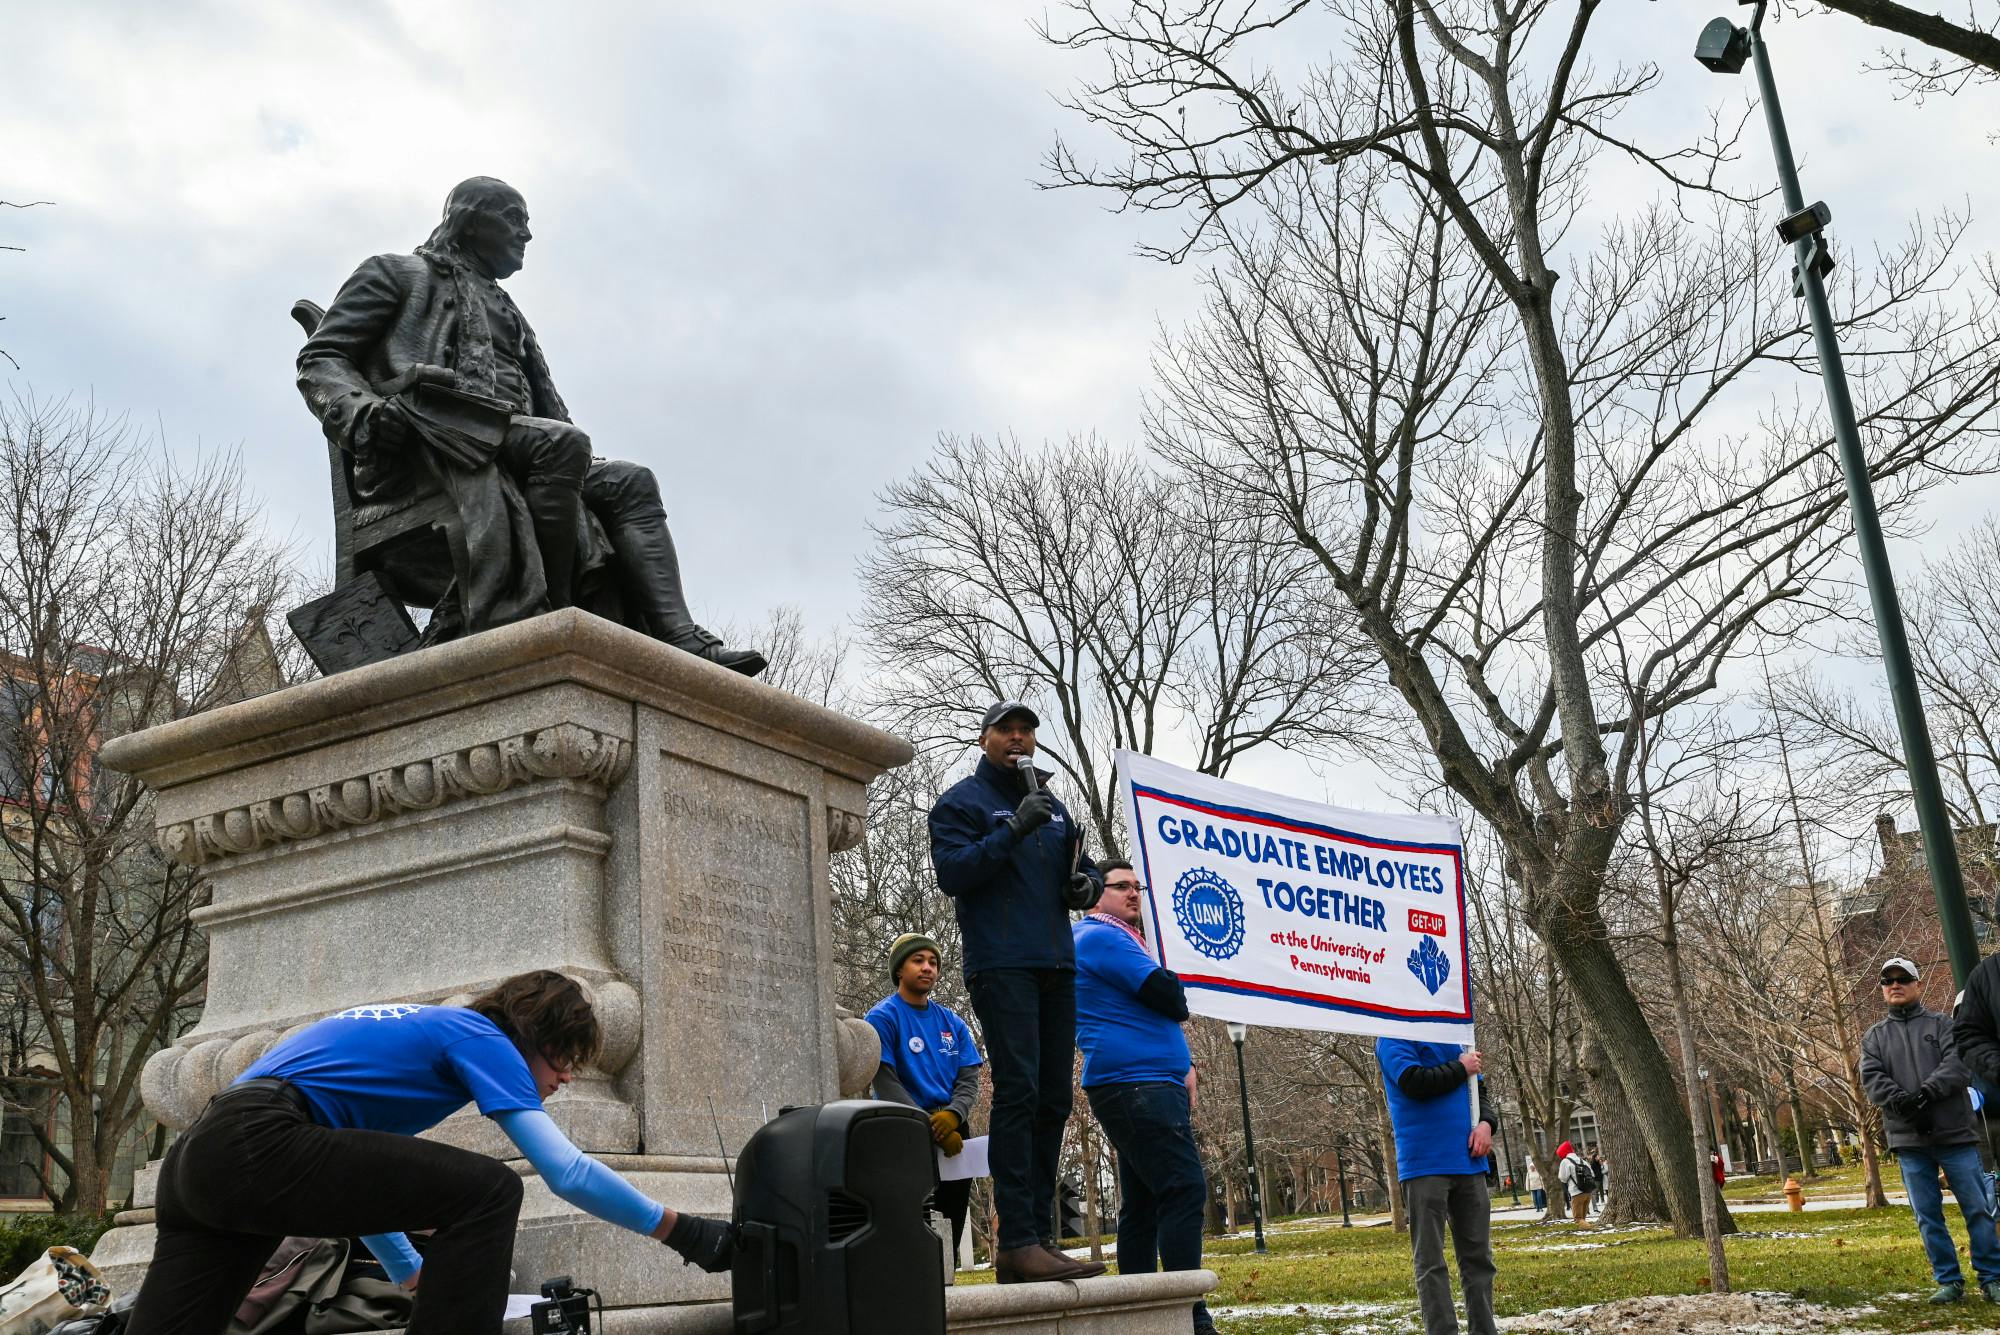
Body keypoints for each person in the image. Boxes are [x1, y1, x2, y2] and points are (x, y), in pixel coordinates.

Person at [299, 176, 764, 673]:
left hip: (517, 441)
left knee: (631, 481)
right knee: (563, 445)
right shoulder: (395, 273)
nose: (526, 234)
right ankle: (554, 618)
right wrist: (364, 413)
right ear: (470, 220)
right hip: (431, 439)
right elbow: (321, 358)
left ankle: (681, 639)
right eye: (514, 219)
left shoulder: (504, 306)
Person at [125, 971, 736, 1335]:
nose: (567, 1079)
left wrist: (412, 1274)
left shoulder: (412, 1034)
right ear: (536, 1036)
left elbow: (361, 1189)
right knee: (491, 1191)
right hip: (260, 1141)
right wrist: (685, 1232)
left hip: (199, 1162)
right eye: (566, 1061)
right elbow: (566, 1171)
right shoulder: (483, 1036)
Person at [928, 700, 1105, 1283]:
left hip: (1057, 963)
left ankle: (1041, 1235)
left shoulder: (1054, 808)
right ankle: (1015, 1239)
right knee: (1020, 1092)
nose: (1019, 737)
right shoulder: (962, 803)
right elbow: (955, 873)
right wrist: (1013, 827)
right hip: (1002, 963)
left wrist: (1086, 886)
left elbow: (1079, 875)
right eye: (1006, 729)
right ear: (984, 740)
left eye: (1027, 730)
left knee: (1055, 1097)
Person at [1074, 861, 1215, 1335]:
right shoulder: (1101, 936)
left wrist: (1185, 1062)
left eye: (1138, 886)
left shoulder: (1124, 940)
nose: (1134, 893)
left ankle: (1138, 1316)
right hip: (1136, 1084)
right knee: (1183, 1187)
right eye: (1122, 886)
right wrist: (1175, 960)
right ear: (1097, 894)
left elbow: (1157, 1013)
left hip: (1146, 1082)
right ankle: (1184, 1313)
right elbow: (1170, 997)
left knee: (1144, 1201)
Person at [1865, 956, 2000, 1305]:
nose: (1895, 985)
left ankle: (1991, 1277)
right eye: (1887, 980)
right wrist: (1906, 1105)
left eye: (1902, 979)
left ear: (1917, 984)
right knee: (1927, 1215)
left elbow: (1957, 1065)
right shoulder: (1874, 1038)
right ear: (1882, 989)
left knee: (1978, 1209)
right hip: (1909, 1141)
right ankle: (1949, 1281)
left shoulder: (1943, 1025)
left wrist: (1926, 1095)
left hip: (1955, 1135)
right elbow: (1873, 1080)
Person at [866, 932, 985, 1262]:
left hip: (952, 1130)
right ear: (899, 970)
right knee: (912, 1215)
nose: (927, 968)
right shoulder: (883, 1017)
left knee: (951, 1215)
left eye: (933, 962)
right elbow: (885, 1080)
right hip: (903, 1127)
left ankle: (947, 1285)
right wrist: (924, 1124)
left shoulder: (953, 1022)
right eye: (918, 960)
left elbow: (968, 1077)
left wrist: (953, 1116)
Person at [1376, 1039, 1498, 1335]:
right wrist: (1460, 1067)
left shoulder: (1454, 1034)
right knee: (1431, 1262)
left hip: (1469, 1163)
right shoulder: (1391, 1035)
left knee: (1479, 1259)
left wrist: (1486, 1124)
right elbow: (1413, 1082)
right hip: (1424, 1164)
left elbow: (1478, 1091)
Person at [1555, 1141, 1593, 1223]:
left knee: (1578, 1219)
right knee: (1583, 1218)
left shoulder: (1565, 1161)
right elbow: (1592, 1174)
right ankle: (1585, 1233)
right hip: (1588, 1192)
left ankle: (1592, 1230)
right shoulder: (1582, 1161)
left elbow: (1563, 1178)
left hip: (1576, 1193)